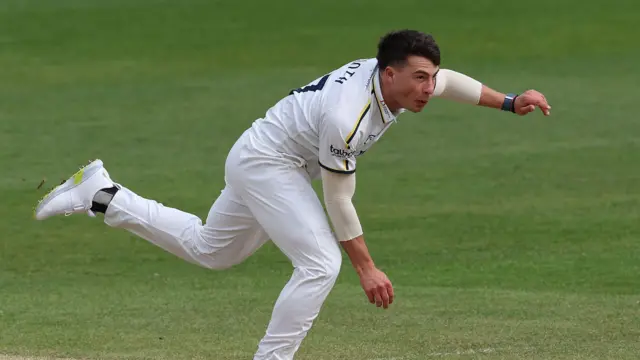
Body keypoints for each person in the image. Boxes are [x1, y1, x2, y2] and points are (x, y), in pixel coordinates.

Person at [33, 29, 551, 359]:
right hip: (266, 163)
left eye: (429, 78)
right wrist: (367, 269)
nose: (428, 88)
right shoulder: (347, 117)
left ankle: (102, 193)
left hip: (272, 159)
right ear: (390, 74)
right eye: (419, 79)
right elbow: (339, 201)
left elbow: (452, 82)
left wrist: (508, 102)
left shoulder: (398, 78)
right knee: (323, 264)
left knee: (212, 250)